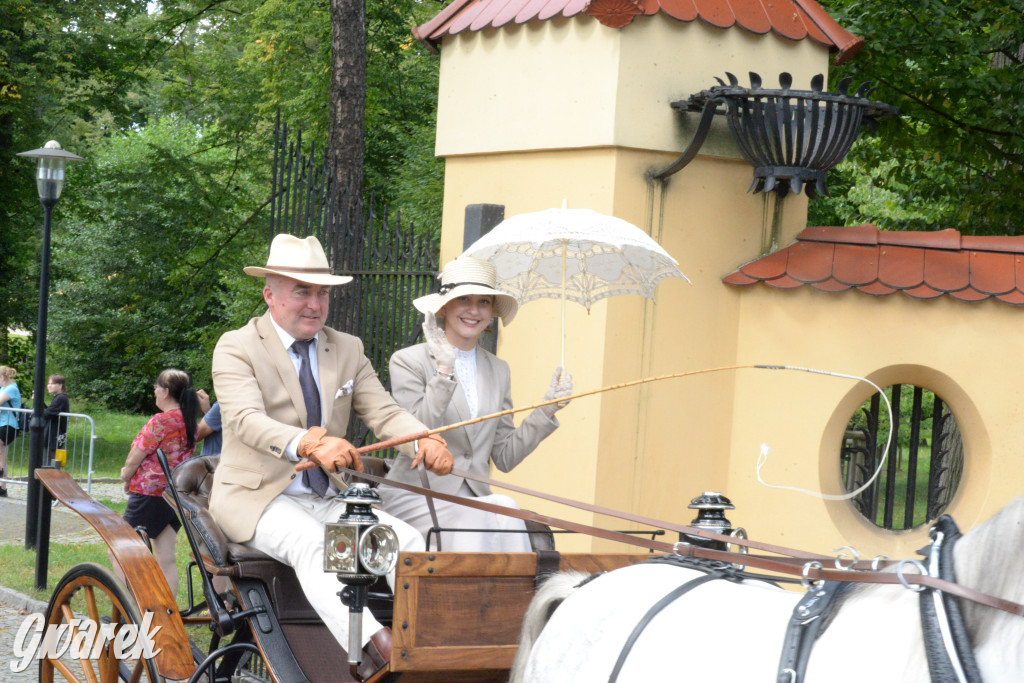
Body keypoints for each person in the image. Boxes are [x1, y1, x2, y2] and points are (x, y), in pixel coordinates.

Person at [209, 233, 454, 682]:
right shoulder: (235, 346)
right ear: (270, 294)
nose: (314, 303)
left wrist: (424, 442)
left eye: (322, 292)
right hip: (259, 498)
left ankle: (428, 656)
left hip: (332, 497)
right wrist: (309, 443)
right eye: (301, 291)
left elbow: (384, 412)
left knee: (412, 544)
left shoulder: (347, 348)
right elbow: (244, 419)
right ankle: (378, 657)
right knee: (317, 547)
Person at [383, 257, 573, 552]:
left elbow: (505, 456)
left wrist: (547, 409)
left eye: (483, 301)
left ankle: (514, 597)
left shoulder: (498, 369)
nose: (474, 310)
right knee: (500, 509)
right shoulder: (409, 361)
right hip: (417, 495)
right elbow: (414, 436)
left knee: (502, 511)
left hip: (476, 501)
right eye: (464, 300)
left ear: (491, 311)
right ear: (445, 306)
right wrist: (444, 374)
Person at [115, 369, 200, 595]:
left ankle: (131, 608)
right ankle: (167, 610)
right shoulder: (190, 421)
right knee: (166, 555)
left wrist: (126, 475)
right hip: (175, 493)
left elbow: (137, 455)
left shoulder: (160, 421)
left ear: (165, 392)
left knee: (120, 550)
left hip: (149, 493)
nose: (154, 391)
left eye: (155, 387)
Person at [0, 366, 24, 497]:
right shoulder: (3, 388)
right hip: (3, 424)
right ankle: (2, 488)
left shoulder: (11, 389)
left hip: (8, 425)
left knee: (1, 456)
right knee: (2, 457)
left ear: (2, 378)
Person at [42, 374, 70, 464]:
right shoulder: (58, 398)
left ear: (60, 385)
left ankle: (51, 478)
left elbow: (46, 414)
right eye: (48, 383)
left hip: (54, 437)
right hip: (52, 436)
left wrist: (38, 403)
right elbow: (49, 411)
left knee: (50, 463)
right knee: (48, 462)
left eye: (52, 384)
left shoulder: (61, 398)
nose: (49, 386)